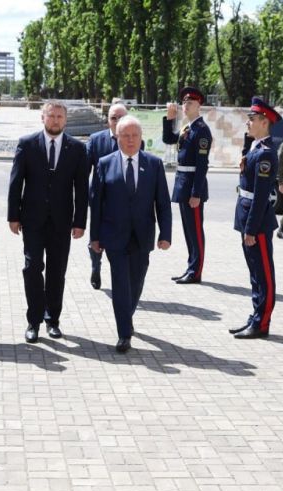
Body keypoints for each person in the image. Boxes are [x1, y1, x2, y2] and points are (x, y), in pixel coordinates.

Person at [8, 101, 89, 342]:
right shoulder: (27, 144)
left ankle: (52, 319)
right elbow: (16, 182)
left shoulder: (77, 148)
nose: (55, 120)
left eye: (60, 117)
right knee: (32, 268)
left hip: (62, 221)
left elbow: (82, 189)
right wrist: (13, 215)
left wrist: (80, 222)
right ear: (42, 118)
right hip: (32, 219)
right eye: (51, 116)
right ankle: (33, 321)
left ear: (66, 120)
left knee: (57, 271)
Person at [90, 116, 172, 353]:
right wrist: (94, 237)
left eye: (135, 135)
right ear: (116, 137)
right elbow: (96, 204)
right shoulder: (105, 164)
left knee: (136, 282)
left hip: (142, 236)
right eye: (125, 135)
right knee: (120, 285)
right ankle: (124, 333)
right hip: (113, 236)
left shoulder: (154, 164)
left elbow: (163, 203)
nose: (130, 140)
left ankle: (127, 315)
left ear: (141, 138)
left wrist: (165, 234)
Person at [230, 97, 281, 340]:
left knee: (264, 274)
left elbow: (261, 196)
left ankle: (263, 321)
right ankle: (256, 315)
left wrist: (250, 228)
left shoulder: (266, 154)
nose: (248, 122)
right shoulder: (255, 147)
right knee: (254, 272)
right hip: (247, 216)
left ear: (264, 121)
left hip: (257, 221)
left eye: (252, 119)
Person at [163, 87, 211, 284]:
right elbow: (168, 139)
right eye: (184, 102)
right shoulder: (187, 128)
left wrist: (196, 193)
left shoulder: (201, 131)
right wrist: (169, 118)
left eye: (190, 102)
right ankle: (191, 267)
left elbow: (202, 165)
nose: (185, 105)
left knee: (196, 231)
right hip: (183, 184)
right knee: (188, 230)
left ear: (199, 105)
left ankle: (196, 271)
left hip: (192, 187)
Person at [85, 103, 131, 290]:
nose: (117, 121)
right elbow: (84, 171)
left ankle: (119, 273)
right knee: (95, 237)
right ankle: (96, 266)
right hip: (99, 199)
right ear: (108, 120)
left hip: (124, 201)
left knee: (120, 238)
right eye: (113, 118)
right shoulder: (96, 140)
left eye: (121, 117)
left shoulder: (133, 139)